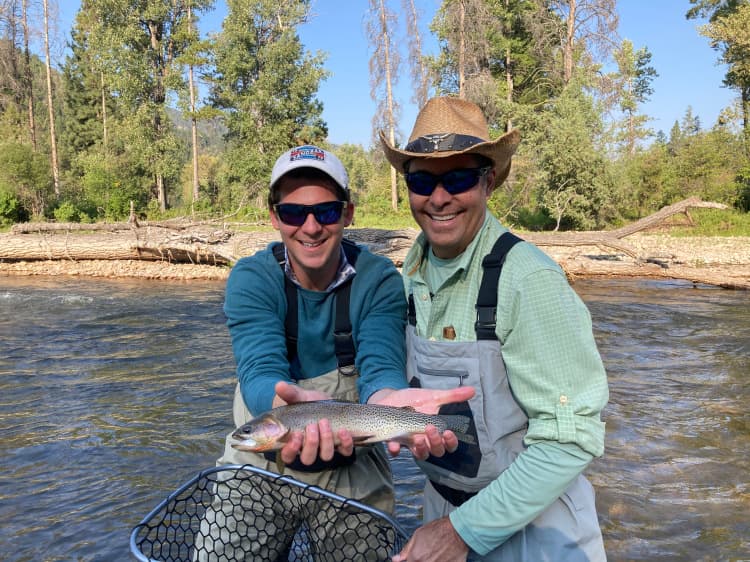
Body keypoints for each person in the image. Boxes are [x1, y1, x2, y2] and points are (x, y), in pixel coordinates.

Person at [195, 144, 472, 561]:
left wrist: (390, 404)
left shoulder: (378, 280)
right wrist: (279, 405)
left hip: (354, 458)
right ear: (275, 217)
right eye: (293, 213)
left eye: (325, 212)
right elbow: (258, 369)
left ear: (347, 214)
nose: (310, 227)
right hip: (260, 470)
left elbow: (381, 367)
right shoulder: (252, 279)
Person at [380, 97, 609, 561]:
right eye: (422, 180)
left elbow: (571, 440)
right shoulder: (410, 275)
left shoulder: (528, 279)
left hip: (536, 531)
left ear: (487, 182)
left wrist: (461, 533)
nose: (438, 197)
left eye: (458, 178)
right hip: (442, 512)